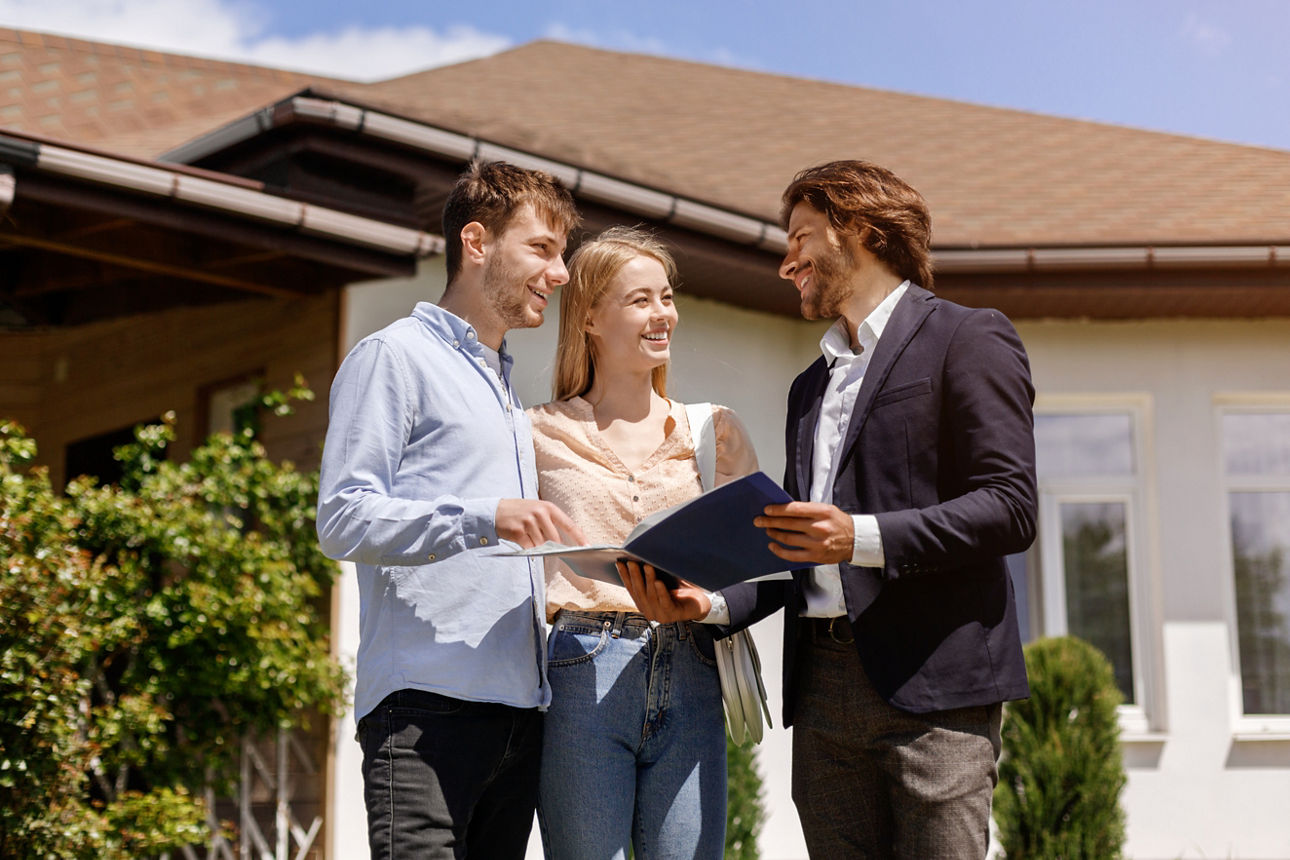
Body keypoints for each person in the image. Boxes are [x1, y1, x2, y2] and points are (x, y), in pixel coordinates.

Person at [630, 160, 1036, 859]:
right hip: (821, 694)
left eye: (801, 238)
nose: (787, 264)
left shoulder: (968, 338)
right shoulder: (808, 388)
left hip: (934, 691)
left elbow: (1010, 507)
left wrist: (860, 537)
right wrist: (712, 603)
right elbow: (797, 549)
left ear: (861, 230)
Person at [315, 160, 584, 859]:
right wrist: (479, 518)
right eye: (543, 249)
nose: (560, 274)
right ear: (477, 242)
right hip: (424, 715)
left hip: (521, 720)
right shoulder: (394, 358)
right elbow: (342, 517)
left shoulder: (502, 387)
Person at [527, 226, 758, 860]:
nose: (662, 315)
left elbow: (759, 569)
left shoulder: (713, 430)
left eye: (666, 297)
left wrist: (704, 602)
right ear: (591, 318)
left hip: (692, 666)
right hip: (580, 670)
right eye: (640, 301)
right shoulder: (535, 434)